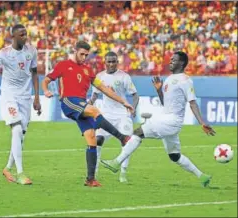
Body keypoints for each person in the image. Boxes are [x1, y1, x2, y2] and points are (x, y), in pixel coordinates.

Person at [101, 51, 216, 187]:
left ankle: (116, 162)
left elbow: (192, 102)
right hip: (168, 120)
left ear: (182, 63)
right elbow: (165, 103)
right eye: (171, 59)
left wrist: (202, 122)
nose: (171, 61)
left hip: (171, 121)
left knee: (137, 133)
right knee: (174, 156)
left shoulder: (186, 80)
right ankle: (202, 176)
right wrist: (159, 90)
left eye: (174, 60)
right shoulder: (169, 79)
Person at [42, 41, 134, 187]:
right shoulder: (63, 65)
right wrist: (46, 90)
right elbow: (46, 80)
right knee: (94, 110)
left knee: (92, 138)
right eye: (82, 54)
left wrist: (124, 102)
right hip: (69, 102)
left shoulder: (88, 70)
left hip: (81, 105)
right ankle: (122, 138)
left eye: (86, 55)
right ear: (75, 51)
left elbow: (104, 89)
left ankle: (90, 179)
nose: (84, 57)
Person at [0, 24, 41, 185]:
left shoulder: (31, 51)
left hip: (25, 97)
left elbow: (34, 73)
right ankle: (20, 173)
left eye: (26, 34)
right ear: (13, 37)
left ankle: (7, 168)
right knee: (17, 128)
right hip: (9, 95)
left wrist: (37, 98)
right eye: (22, 35)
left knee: (20, 136)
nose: (25, 37)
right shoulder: (3, 54)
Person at [89, 51, 140, 183]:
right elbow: (95, 94)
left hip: (122, 115)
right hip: (105, 115)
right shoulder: (99, 77)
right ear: (105, 62)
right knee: (98, 140)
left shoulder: (124, 77)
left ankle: (123, 173)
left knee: (126, 142)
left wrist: (133, 107)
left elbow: (135, 95)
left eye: (114, 61)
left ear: (117, 62)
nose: (111, 64)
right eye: (109, 61)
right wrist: (90, 104)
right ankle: (94, 173)